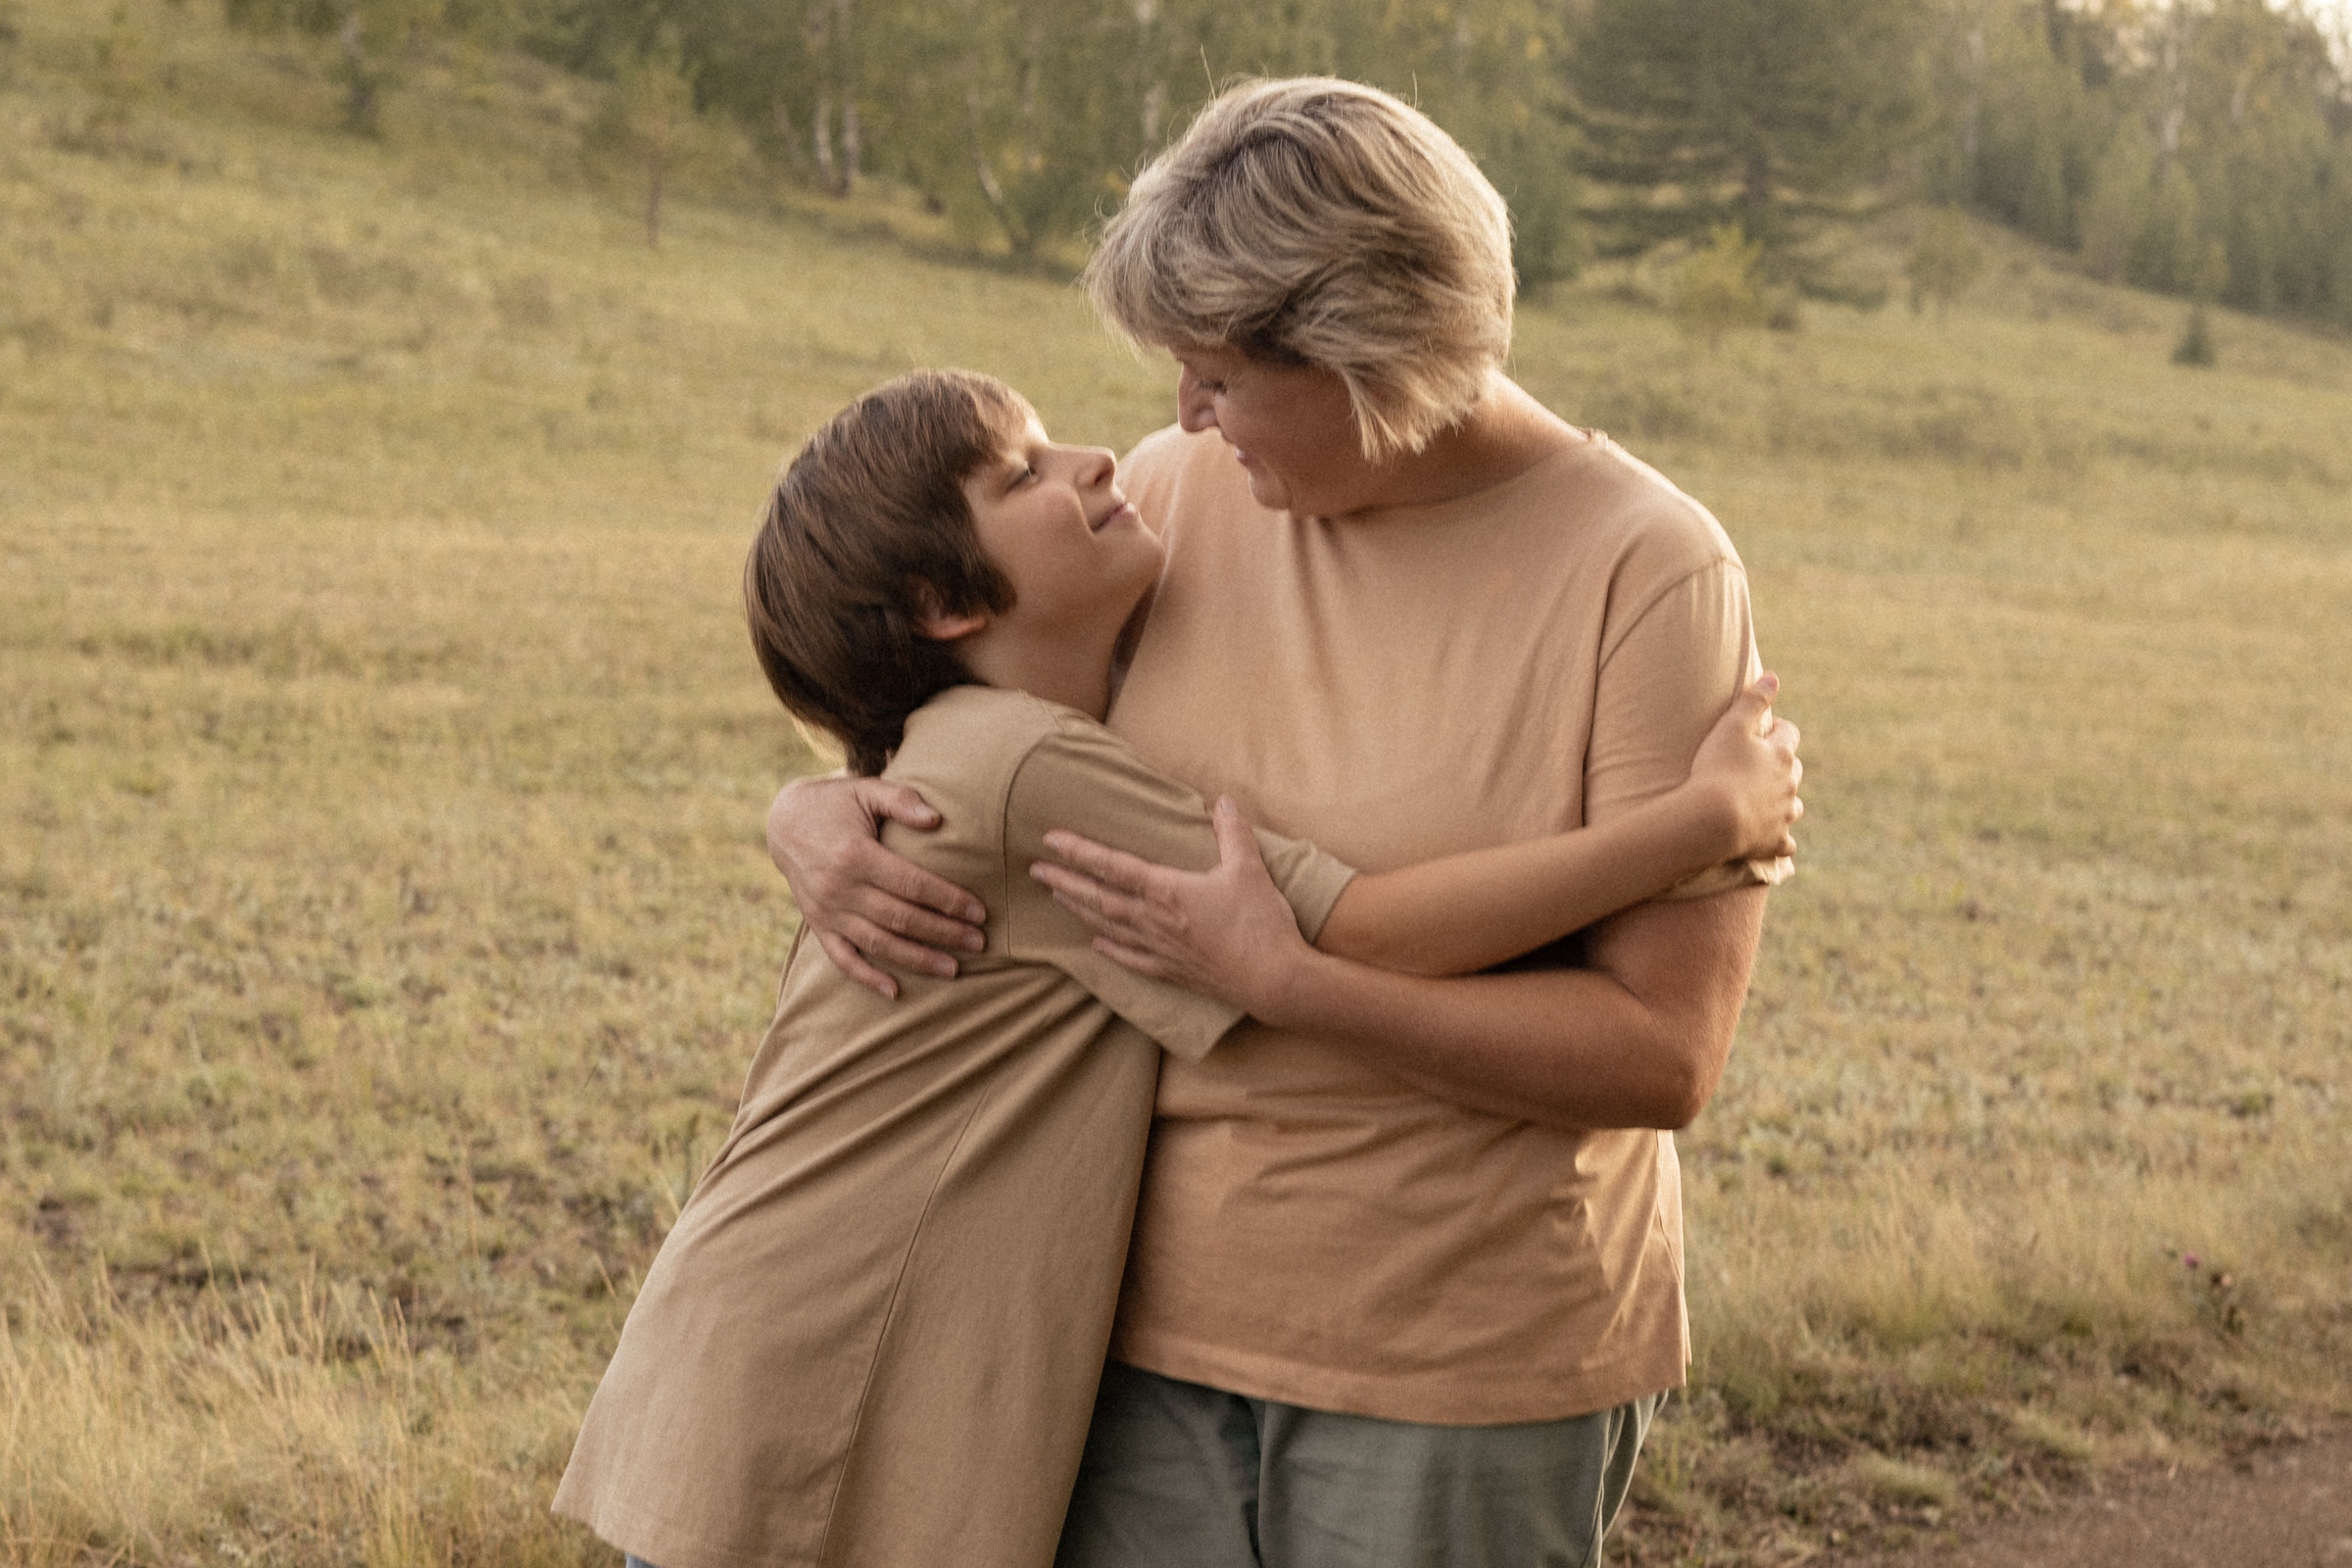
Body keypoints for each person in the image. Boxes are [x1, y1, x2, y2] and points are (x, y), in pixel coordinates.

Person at [764, 79, 1794, 1567]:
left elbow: (1661, 1057)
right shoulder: (1178, 498)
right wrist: (805, 809)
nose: (1178, 413)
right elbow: (968, 714)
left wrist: (1296, 987)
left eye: (1222, 373)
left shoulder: (1650, 571)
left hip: (1463, 1375)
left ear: (1371, 351)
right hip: (1123, 1344)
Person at [556, 369, 1800, 1568]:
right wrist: (1697, 826)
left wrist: (812, 792)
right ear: (945, 604)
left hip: (779, 1345)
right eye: (1023, 472)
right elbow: (1356, 921)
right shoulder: (1030, 764)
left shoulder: (1012, 736)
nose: (1110, 450)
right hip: (818, 1362)